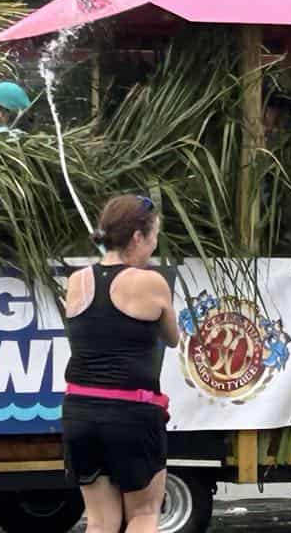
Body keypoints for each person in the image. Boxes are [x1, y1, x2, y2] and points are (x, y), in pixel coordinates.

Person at [62, 194, 180, 533]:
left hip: (80, 411)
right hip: (131, 414)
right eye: (154, 235)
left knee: (100, 522)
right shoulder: (150, 282)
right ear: (138, 237)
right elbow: (172, 338)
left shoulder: (77, 281)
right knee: (143, 514)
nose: (154, 245)